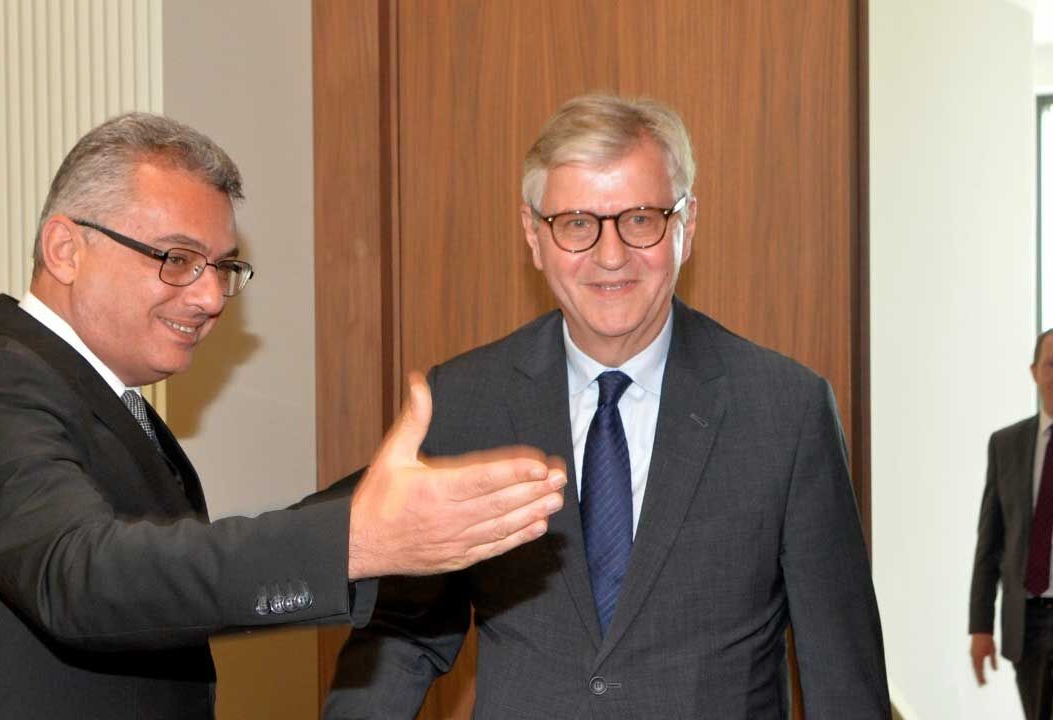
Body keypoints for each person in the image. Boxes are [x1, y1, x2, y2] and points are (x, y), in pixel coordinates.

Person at [0, 112, 567, 719]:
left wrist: (386, 506)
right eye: (178, 259)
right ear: (66, 249)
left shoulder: (100, 398)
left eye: (221, 267)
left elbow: (168, 576)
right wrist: (352, 540)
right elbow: (84, 578)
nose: (210, 297)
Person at [324, 94, 889, 718]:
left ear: (687, 224)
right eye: (576, 224)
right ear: (534, 236)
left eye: (641, 219)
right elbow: (403, 640)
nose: (611, 255)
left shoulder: (787, 411)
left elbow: (842, 679)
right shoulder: (464, 402)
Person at [971, 329, 1053, 718]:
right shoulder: (1005, 445)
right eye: (1051, 364)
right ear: (1034, 372)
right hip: (1027, 622)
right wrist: (980, 626)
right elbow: (989, 544)